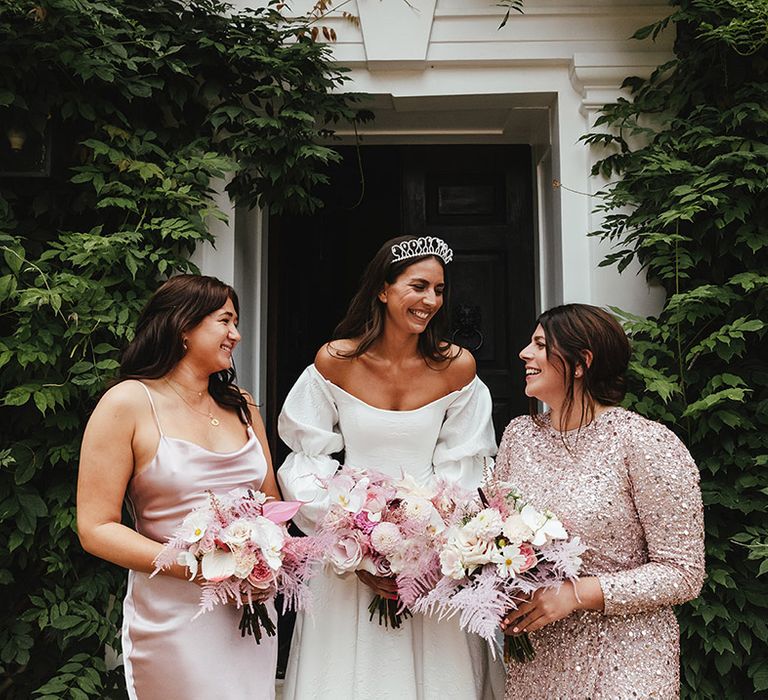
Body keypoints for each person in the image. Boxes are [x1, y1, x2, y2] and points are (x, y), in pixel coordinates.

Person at [277, 236, 505, 699]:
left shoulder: (457, 368)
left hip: (434, 551)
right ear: (383, 290)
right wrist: (354, 541)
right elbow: (307, 460)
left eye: (439, 290)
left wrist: (431, 544)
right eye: (418, 286)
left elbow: (466, 468)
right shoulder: (335, 360)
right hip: (348, 543)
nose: (431, 301)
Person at [77, 274, 281, 700]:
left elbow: (271, 505)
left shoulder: (242, 406)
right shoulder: (129, 402)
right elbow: (95, 527)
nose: (237, 335)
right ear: (184, 327)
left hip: (247, 614)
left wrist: (266, 563)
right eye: (225, 321)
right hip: (173, 619)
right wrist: (197, 565)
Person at [495, 303, 705, 699]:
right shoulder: (519, 436)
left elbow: (684, 572)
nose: (525, 353)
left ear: (580, 362)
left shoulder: (643, 443)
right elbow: (498, 530)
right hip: (538, 661)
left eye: (540, 345)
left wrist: (577, 594)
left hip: (624, 657)